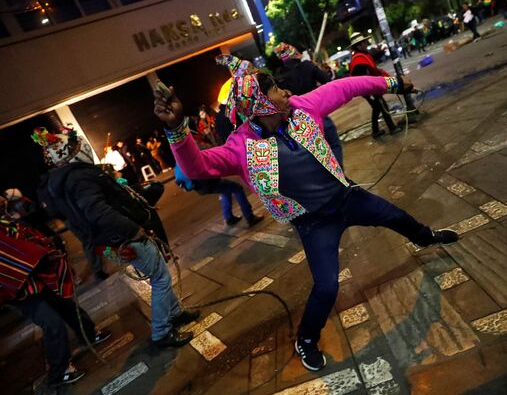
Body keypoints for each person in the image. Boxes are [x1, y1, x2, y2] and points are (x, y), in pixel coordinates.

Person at [153, 55, 459, 371]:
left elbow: (348, 86)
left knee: (396, 217)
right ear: (259, 103)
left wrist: (392, 84)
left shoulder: (302, 108)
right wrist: (175, 128)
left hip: (347, 197)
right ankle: (306, 340)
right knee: (326, 287)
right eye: (274, 89)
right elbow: (196, 167)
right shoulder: (240, 146)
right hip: (313, 223)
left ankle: (427, 238)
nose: (285, 91)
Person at [33, 126, 196, 348]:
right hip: (125, 237)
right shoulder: (78, 178)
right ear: (70, 152)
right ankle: (161, 332)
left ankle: (175, 313)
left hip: (116, 239)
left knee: (159, 275)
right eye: (78, 146)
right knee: (160, 279)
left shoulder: (69, 179)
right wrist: (133, 230)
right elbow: (97, 211)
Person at [0, 200, 111, 389]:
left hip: (34, 278)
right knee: (52, 322)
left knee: (65, 304)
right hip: (17, 288)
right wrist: (41, 257)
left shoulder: (4, 221)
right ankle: (58, 371)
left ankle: (89, 334)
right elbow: (10, 257)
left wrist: (44, 247)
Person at [273, 43, 343, 165]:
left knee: (316, 161)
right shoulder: (307, 66)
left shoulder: (278, 76)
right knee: (334, 149)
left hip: (298, 126)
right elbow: (328, 82)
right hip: (317, 115)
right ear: (294, 52)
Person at [175, 165, 263, 227]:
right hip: (207, 183)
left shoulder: (180, 160)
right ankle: (250, 217)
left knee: (225, 190)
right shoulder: (191, 154)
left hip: (199, 187)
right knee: (237, 188)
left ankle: (229, 217)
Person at [349, 31, 399, 138]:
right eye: (364, 43)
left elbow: (372, 58)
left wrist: (381, 52)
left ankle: (375, 131)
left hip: (370, 87)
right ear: (358, 46)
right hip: (368, 89)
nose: (366, 44)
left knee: (377, 108)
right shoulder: (358, 60)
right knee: (381, 105)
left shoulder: (362, 55)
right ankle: (392, 128)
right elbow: (363, 78)